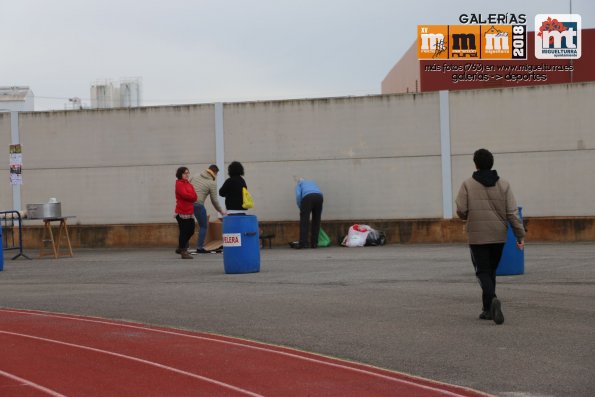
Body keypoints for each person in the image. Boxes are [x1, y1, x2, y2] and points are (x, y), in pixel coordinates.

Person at [455, 148, 525, 325]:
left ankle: (492, 299)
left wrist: (467, 216)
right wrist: (520, 235)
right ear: (492, 163)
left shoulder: (467, 184)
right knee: (491, 270)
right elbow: (512, 213)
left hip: (477, 236)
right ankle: (487, 310)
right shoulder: (504, 185)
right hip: (498, 236)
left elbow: (462, 210)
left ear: (475, 164)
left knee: (482, 271)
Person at [190, 164, 226, 253]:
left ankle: (183, 246)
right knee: (203, 226)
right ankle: (199, 247)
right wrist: (221, 211)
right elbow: (214, 200)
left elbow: (187, 186)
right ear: (215, 172)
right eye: (216, 174)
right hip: (198, 204)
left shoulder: (195, 176)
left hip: (187, 204)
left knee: (187, 226)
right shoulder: (212, 183)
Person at [292, 178, 323, 249]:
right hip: (319, 197)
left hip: (307, 198)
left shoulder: (299, 185)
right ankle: (314, 243)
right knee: (316, 221)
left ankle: (303, 243)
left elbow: (298, 196)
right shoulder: (312, 182)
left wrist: (301, 207)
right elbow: (319, 192)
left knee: (304, 222)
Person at [174, 166, 197, 259]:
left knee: (191, 230)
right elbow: (185, 195)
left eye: (188, 173)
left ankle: (181, 247)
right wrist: (191, 196)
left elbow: (195, 196)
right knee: (183, 231)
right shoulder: (179, 184)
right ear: (180, 174)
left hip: (190, 211)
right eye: (185, 173)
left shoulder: (189, 184)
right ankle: (183, 250)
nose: (187, 175)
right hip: (182, 211)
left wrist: (191, 196)